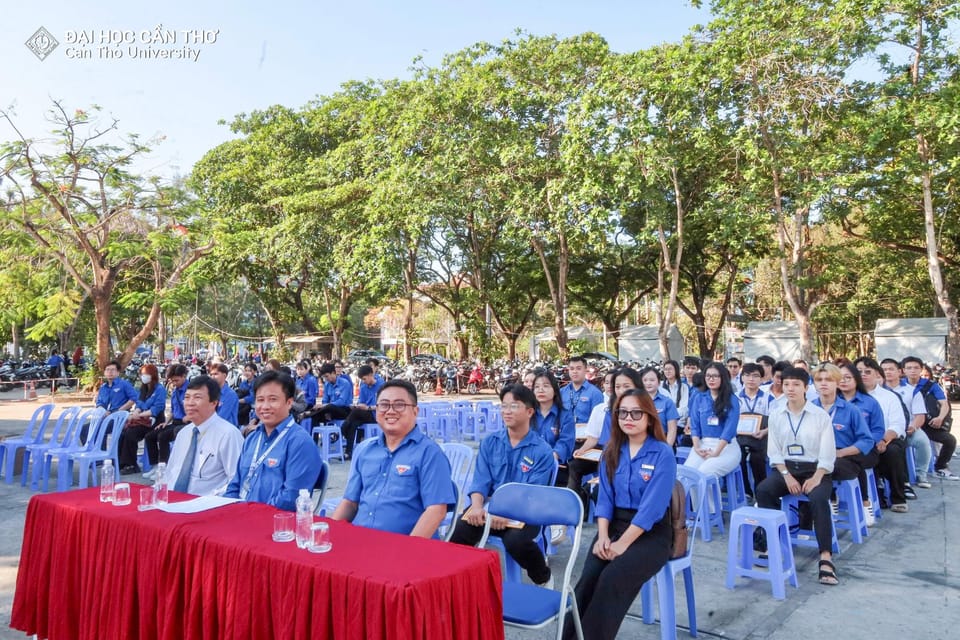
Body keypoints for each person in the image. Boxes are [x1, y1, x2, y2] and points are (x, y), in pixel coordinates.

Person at [563, 389, 676, 640]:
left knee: (612, 580)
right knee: (587, 581)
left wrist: (623, 544)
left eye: (636, 412)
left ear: (649, 416)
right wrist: (603, 536)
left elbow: (652, 510)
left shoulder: (662, 453)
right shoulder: (612, 450)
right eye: (623, 412)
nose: (629, 418)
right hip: (613, 525)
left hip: (651, 533)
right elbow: (605, 499)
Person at [449, 384, 556, 586]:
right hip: (488, 510)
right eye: (504, 406)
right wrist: (477, 507)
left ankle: (543, 577)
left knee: (515, 542)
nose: (506, 411)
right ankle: (459, 584)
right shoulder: (491, 442)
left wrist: (506, 515)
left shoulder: (542, 450)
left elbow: (532, 495)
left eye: (514, 406)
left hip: (525, 514)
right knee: (460, 531)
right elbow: (480, 481)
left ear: (530, 411)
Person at [331, 379, 454, 537]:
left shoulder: (430, 454)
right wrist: (330, 534)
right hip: (360, 541)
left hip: (403, 547)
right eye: (384, 405)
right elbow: (350, 502)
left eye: (399, 405)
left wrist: (405, 552)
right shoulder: (366, 451)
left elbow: (436, 511)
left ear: (415, 411)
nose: (390, 411)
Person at [755, 366, 838, 585]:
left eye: (796, 385)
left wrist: (817, 477)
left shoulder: (820, 416)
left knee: (819, 499)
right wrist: (786, 476)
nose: (790, 389)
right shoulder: (776, 415)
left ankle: (825, 558)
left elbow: (827, 454)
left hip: (815, 469)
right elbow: (773, 452)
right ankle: (772, 545)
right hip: (787, 469)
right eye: (786, 384)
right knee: (764, 490)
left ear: (806, 388)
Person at [224, 370, 323, 511]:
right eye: (260, 400)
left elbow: (290, 498)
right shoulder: (252, 438)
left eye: (273, 399)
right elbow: (235, 485)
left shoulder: (300, 443)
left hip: (275, 524)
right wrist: (229, 510)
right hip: (240, 516)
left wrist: (250, 514)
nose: (265, 406)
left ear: (289, 403)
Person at [811, 363, 876, 522]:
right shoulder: (809, 408)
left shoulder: (850, 410)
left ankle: (864, 503)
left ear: (837, 382)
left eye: (829, 379)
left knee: (829, 466)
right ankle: (818, 508)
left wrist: (842, 452)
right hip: (815, 455)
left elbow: (866, 440)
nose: (823, 383)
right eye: (819, 379)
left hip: (845, 456)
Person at [165, 376, 243, 496]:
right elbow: (171, 472)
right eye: (187, 397)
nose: (190, 403)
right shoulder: (184, 434)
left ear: (214, 403)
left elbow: (237, 480)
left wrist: (210, 499)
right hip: (172, 502)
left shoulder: (228, 435)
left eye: (197, 397)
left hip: (207, 505)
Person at [855, 356, 911, 510]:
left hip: (887, 439)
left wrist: (883, 440)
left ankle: (898, 497)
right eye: (859, 371)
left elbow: (898, 425)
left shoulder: (889, 397)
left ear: (877, 374)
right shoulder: (848, 397)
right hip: (859, 442)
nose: (863, 375)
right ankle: (874, 495)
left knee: (892, 452)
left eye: (868, 371)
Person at [903, 356, 958, 479]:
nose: (913, 370)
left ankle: (940, 467)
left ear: (921, 369)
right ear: (903, 370)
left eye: (916, 368)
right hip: (905, 424)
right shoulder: (899, 385)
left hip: (926, 423)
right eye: (909, 368)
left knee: (950, 440)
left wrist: (940, 417)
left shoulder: (930, 385)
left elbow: (944, 404)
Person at [881, 357, 933, 489]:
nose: (888, 372)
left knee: (923, 441)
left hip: (909, 428)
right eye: (884, 370)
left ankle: (921, 474)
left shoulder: (912, 391)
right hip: (885, 431)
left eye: (891, 369)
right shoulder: (877, 391)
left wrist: (913, 427)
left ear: (900, 371)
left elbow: (920, 416)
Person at [684, 362, 742, 479]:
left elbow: (729, 430)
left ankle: (711, 499)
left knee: (705, 472)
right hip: (703, 443)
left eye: (715, 376)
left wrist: (716, 452)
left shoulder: (732, 400)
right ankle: (698, 499)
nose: (711, 379)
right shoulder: (699, 397)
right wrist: (697, 447)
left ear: (723, 378)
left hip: (726, 447)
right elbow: (694, 426)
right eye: (708, 376)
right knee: (688, 474)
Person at [568, 371, 614, 514]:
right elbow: (593, 438)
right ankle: (575, 507)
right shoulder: (599, 409)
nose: (610, 386)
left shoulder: (626, 408)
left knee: (604, 464)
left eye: (614, 383)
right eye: (607, 382)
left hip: (615, 452)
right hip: (598, 449)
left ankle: (598, 505)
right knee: (575, 465)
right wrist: (582, 450)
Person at [117, 364, 167, 475]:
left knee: (131, 433)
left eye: (146, 374)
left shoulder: (160, 389)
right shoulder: (143, 389)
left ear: (153, 375)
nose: (143, 377)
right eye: (142, 374)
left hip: (153, 421)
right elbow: (139, 403)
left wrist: (139, 416)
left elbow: (157, 408)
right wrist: (136, 412)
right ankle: (121, 462)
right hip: (141, 419)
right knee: (123, 432)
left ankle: (132, 465)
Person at [532, 369, 576, 484]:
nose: (540, 390)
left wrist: (553, 456)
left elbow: (565, 442)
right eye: (536, 387)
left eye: (546, 386)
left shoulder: (565, 415)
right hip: (529, 464)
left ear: (555, 391)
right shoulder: (528, 414)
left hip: (556, 465)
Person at [735, 362, 771, 497]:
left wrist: (764, 431)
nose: (751, 379)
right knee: (739, 457)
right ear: (742, 378)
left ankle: (760, 491)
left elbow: (775, 422)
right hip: (740, 437)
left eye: (755, 376)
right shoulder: (735, 397)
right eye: (747, 375)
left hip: (761, 437)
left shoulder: (769, 398)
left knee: (757, 458)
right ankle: (746, 491)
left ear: (762, 379)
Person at [144, 364, 189, 469]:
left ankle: (164, 467)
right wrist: (165, 422)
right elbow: (174, 411)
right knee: (150, 436)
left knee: (163, 436)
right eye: (172, 381)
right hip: (175, 422)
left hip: (187, 423)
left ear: (184, 376)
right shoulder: (175, 392)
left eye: (176, 380)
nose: (174, 383)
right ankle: (155, 466)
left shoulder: (191, 390)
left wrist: (188, 417)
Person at [341, 364, 384, 459]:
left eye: (364, 379)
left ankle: (342, 430)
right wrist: (359, 405)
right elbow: (361, 401)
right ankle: (349, 452)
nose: (363, 381)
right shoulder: (364, 387)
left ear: (370, 375)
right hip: (365, 414)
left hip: (376, 414)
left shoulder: (381, 386)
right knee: (353, 423)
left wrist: (368, 408)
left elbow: (383, 405)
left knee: (355, 413)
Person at [639, 366, 680, 447]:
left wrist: (667, 449)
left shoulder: (667, 402)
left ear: (658, 382)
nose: (648, 383)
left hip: (662, 441)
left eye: (652, 380)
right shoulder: (635, 401)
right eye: (645, 380)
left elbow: (672, 429)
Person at [560, 356, 605, 425]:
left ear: (585, 369)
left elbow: (598, 421)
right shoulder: (562, 392)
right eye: (572, 369)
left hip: (585, 434)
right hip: (565, 433)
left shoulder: (595, 393)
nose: (575, 371)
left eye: (578, 368)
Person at [208, 362, 239, 427]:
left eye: (216, 374)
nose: (212, 377)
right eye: (211, 374)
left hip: (227, 430)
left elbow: (222, 416)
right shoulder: (210, 392)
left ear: (224, 375)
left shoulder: (230, 395)